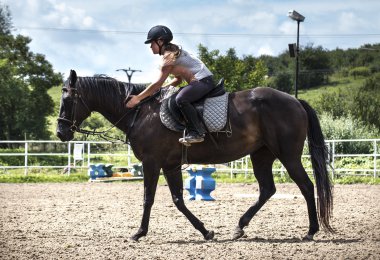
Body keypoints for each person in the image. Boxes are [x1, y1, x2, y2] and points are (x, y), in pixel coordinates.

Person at [126, 25, 215, 144]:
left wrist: (138, 98)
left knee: (181, 99)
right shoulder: (171, 53)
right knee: (176, 98)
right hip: (202, 81)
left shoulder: (168, 57)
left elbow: (157, 83)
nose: (150, 47)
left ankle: (197, 132)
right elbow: (178, 80)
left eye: (151, 43)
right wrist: (163, 89)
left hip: (203, 81)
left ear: (160, 41)